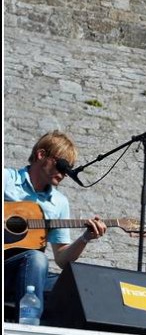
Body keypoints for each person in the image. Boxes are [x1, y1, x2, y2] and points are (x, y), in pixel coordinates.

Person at [4, 131, 107, 322]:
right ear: (41, 155)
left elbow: (61, 259)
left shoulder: (59, 203)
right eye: (62, 165)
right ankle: (28, 333)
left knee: (79, 286)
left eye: (69, 169)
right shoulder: (6, 180)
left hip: (24, 272)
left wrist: (85, 238)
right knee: (37, 258)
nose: (65, 173)